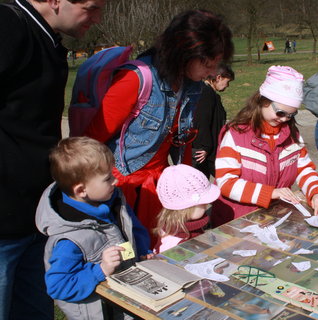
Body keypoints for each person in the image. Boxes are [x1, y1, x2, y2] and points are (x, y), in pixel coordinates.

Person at [85, 10, 234, 247]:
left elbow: (183, 139)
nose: (213, 72)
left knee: (159, 249)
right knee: (128, 253)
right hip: (124, 188)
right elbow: (90, 141)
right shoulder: (135, 78)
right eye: (209, 63)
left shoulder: (192, 85)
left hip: (159, 186)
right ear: (186, 54)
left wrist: (186, 188)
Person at [0, 1, 106, 319]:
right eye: (90, 7)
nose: (98, 18)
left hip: (35, 216)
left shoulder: (46, 38)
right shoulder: (9, 25)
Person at [36, 137, 150, 320]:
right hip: (100, 312)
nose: (116, 181)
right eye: (108, 178)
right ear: (81, 190)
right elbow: (58, 286)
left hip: (126, 299)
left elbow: (134, 229)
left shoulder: (113, 201)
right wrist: (100, 270)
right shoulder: (69, 239)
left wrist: (143, 250)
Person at [212, 66, 318, 227]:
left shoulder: (292, 135)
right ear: (263, 101)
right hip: (236, 219)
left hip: (271, 218)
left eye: (291, 115)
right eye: (281, 113)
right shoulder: (235, 135)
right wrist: (271, 193)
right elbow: (226, 182)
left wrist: (317, 192)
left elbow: (304, 169)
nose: (284, 119)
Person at [153, 164, 220, 252]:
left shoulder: (183, 226)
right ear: (186, 208)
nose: (207, 203)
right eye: (203, 202)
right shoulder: (176, 245)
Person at [192, 62, 235, 178]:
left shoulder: (210, 93)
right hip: (203, 151)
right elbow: (202, 121)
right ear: (218, 77)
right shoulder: (205, 93)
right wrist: (205, 147)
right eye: (227, 81)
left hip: (208, 149)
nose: (227, 86)